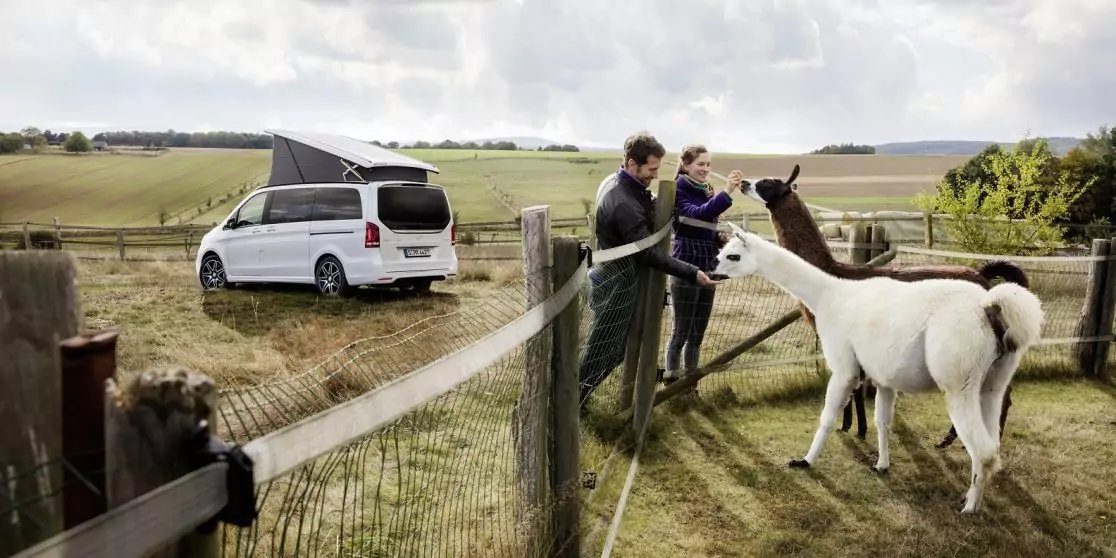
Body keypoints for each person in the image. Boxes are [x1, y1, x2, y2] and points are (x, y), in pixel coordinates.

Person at [578, 131, 720, 409]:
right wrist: (691, 271)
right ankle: (575, 400)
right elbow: (648, 253)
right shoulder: (623, 203)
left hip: (615, 278)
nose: (654, 175)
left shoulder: (623, 185)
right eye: (651, 169)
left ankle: (579, 398)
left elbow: (649, 209)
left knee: (609, 347)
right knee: (605, 349)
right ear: (633, 164)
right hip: (616, 283)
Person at [663, 145, 744, 384]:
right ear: (686, 165)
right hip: (685, 268)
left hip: (708, 268)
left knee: (697, 335)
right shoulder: (678, 189)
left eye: (708, 164)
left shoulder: (706, 188)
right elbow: (696, 215)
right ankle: (672, 385)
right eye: (700, 164)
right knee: (680, 333)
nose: (705, 169)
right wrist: (727, 191)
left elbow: (704, 225)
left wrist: (717, 238)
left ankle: (690, 387)